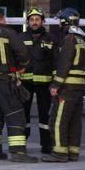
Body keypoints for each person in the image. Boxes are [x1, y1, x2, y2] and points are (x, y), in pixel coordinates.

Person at [0, 9, 36, 162]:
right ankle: (18, 152)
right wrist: (22, 67)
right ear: (3, 18)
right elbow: (22, 52)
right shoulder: (8, 33)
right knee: (14, 114)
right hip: (4, 79)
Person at [43, 8, 85, 163]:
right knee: (75, 121)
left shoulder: (69, 39)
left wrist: (55, 84)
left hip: (67, 88)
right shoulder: (81, 39)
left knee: (59, 120)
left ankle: (59, 152)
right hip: (79, 87)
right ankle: (73, 152)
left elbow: (64, 64)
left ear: (65, 21)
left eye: (60, 21)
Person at [20, 8, 56, 157]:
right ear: (28, 22)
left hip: (45, 83)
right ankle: (21, 143)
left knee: (45, 116)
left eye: (37, 19)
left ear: (43, 21)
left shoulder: (50, 38)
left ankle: (46, 145)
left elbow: (55, 60)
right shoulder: (20, 37)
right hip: (25, 83)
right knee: (23, 115)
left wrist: (55, 83)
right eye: (32, 20)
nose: (34, 22)